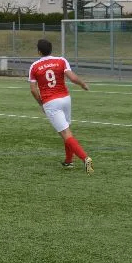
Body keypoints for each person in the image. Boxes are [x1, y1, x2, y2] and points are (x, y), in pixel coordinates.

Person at [29, 38, 93, 174]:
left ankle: (85, 159)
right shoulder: (61, 60)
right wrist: (83, 84)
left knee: (65, 133)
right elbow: (73, 78)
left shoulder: (34, 66)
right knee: (67, 130)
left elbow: (33, 90)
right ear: (51, 49)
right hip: (65, 99)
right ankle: (68, 161)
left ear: (39, 52)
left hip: (51, 102)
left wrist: (41, 103)